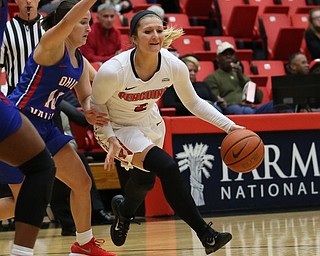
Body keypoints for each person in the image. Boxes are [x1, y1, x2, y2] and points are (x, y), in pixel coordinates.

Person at [91, 10, 245, 255]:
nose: (155, 36)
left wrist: (230, 126)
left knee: (145, 180)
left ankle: (124, 212)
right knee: (167, 168)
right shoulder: (113, 71)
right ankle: (206, 234)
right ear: (133, 39)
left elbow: (193, 103)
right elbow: (96, 106)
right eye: (147, 31)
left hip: (149, 122)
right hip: (118, 128)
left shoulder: (173, 65)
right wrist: (109, 136)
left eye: (159, 30)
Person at [2, 0, 116, 255]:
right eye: (83, 22)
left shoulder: (79, 59)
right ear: (69, 23)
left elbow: (85, 94)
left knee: (82, 182)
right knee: (23, 203)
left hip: (47, 126)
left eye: (90, 22)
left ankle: (84, 243)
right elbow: (65, 22)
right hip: (20, 122)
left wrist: (88, 110)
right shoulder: (51, 44)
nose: (88, 28)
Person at [0, 1, 56, 255]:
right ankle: (21, 252)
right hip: (17, 105)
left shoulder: (48, 31)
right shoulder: (11, 29)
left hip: (44, 113)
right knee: (41, 169)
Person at [205, 42, 274, 115]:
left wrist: (242, 78)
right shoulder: (212, 77)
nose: (229, 57)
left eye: (231, 54)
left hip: (250, 108)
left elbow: (259, 98)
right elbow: (215, 101)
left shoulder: (241, 75)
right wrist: (238, 103)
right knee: (247, 111)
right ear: (218, 58)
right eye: (225, 54)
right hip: (230, 108)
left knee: (276, 104)